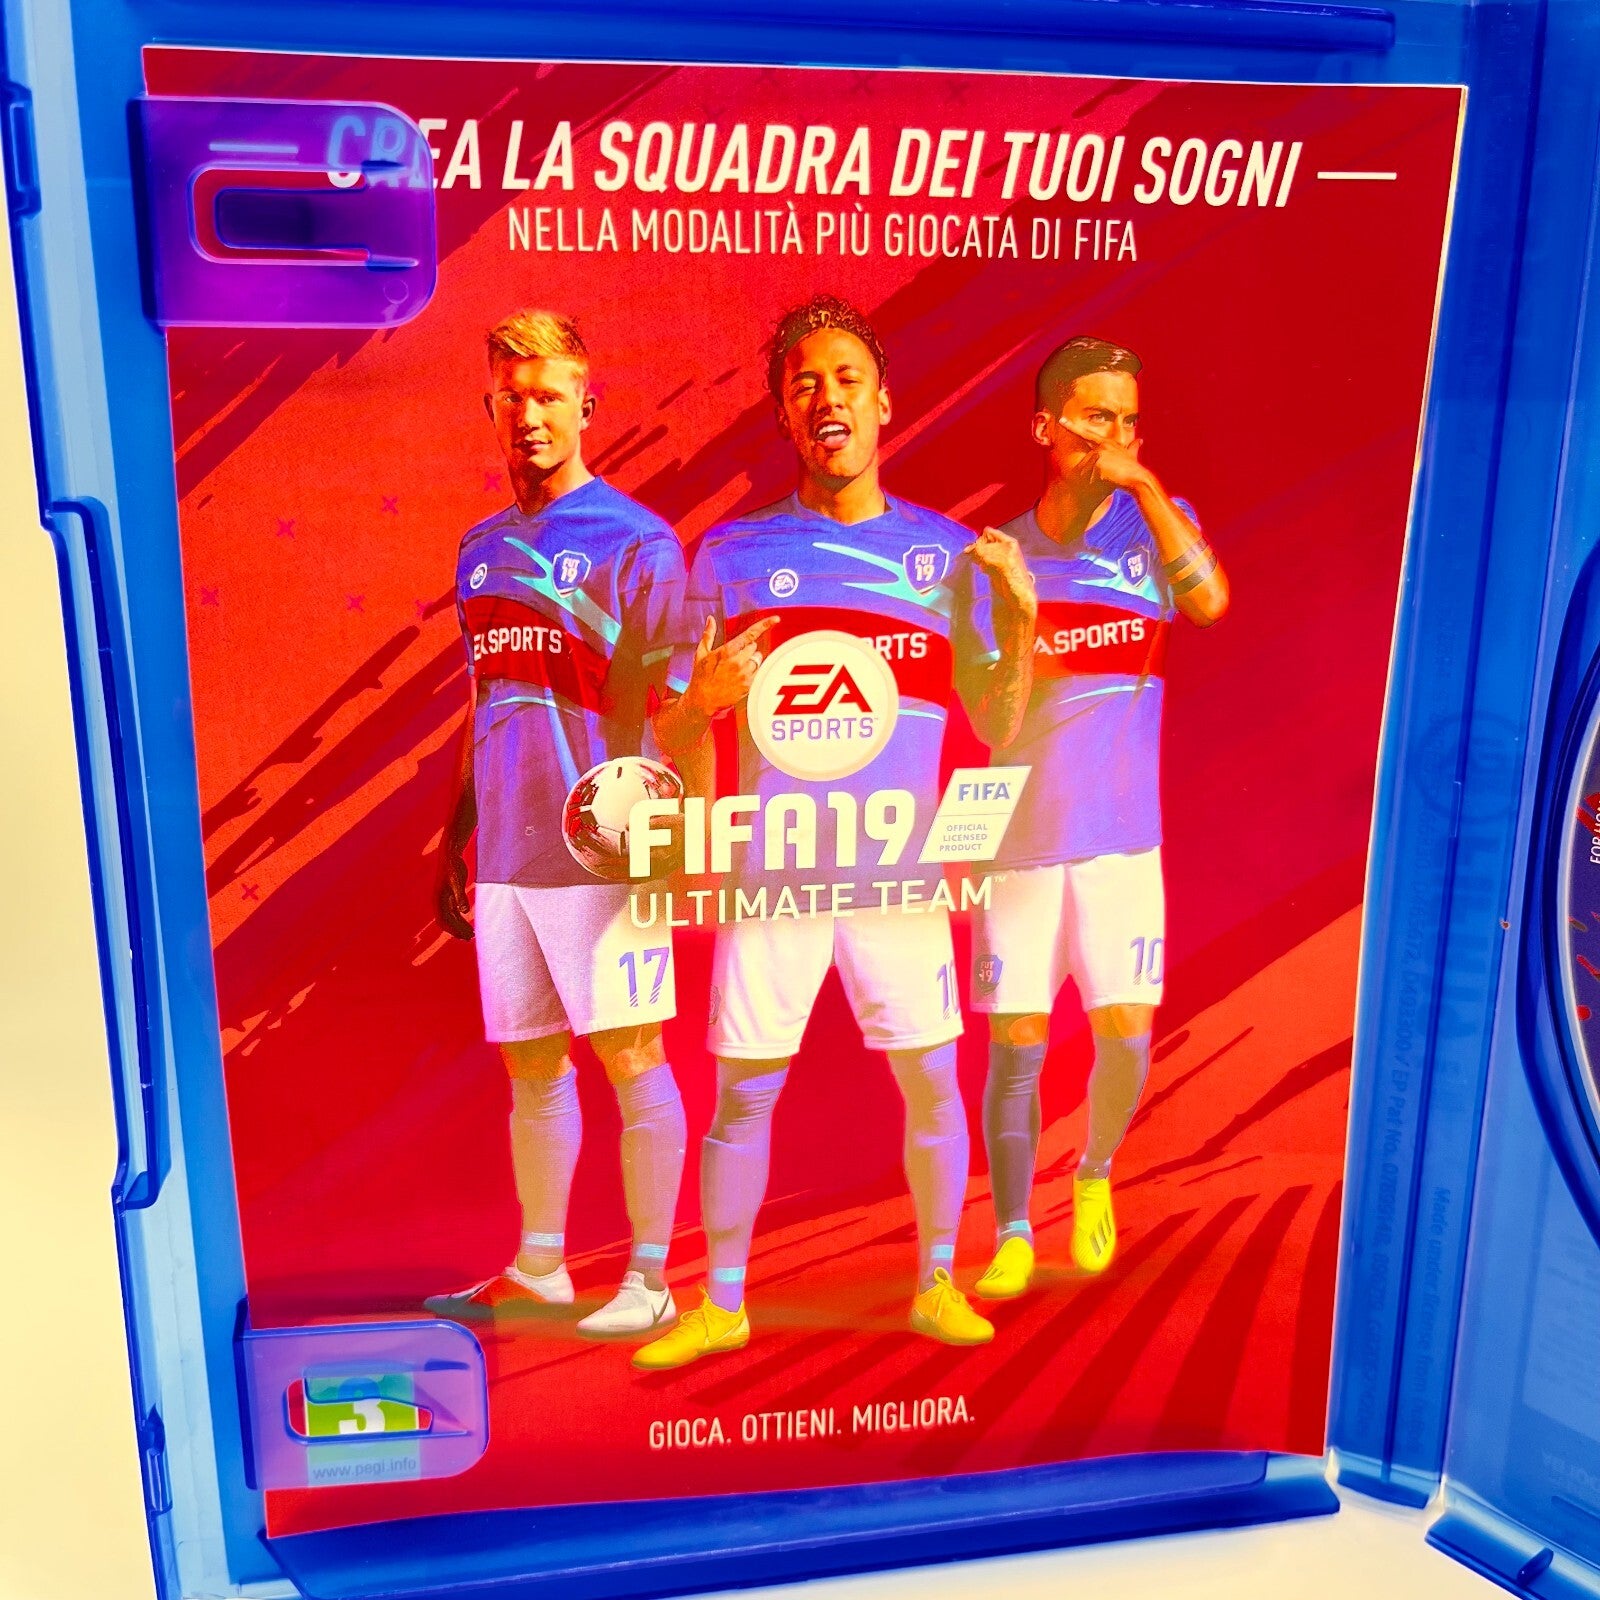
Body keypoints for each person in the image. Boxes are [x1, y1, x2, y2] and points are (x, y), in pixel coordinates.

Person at [634, 294, 1036, 1370]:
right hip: (774, 876)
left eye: (847, 377)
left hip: (898, 877)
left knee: (931, 1082)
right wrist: (699, 700)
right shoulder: (729, 553)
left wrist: (1021, 618)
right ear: (783, 413)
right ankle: (722, 1303)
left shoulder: (946, 554)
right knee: (743, 1093)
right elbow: (671, 724)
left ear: (882, 402)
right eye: (804, 382)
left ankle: (936, 1283)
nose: (828, 397)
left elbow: (998, 721)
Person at [427, 309, 690, 1338]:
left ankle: (652, 1279)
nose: (530, 416)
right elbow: (485, 694)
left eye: (549, 396)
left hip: (601, 848)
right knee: (532, 1063)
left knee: (631, 1053)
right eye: (512, 397)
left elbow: (673, 709)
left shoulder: (637, 540)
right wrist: (455, 833)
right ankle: (540, 1267)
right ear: (488, 409)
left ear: (587, 405)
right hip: (506, 853)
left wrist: (660, 847)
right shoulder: (479, 548)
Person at [967, 335, 1229, 1300]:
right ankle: (1011, 1231)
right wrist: (1020, 612)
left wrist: (1148, 488)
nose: (1111, 439)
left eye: (1127, 422)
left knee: (1123, 1032)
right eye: (1093, 419)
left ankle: (1093, 1173)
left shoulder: (1154, 527)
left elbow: (1210, 603)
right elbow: (992, 722)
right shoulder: (995, 556)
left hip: (1122, 841)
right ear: (1046, 428)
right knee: (1017, 1045)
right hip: (1023, 846)